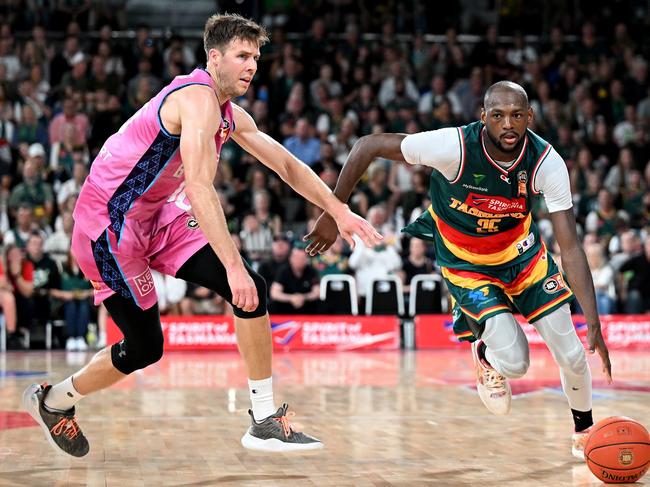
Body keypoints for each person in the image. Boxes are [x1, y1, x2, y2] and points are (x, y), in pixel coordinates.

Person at [23, 13, 382, 458]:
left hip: (158, 217)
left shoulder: (229, 112)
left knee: (253, 290)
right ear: (214, 58)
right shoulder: (194, 98)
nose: (252, 66)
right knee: (145, 348)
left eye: (256, 57)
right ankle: (55, 401)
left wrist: (338, 209)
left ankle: (264, 418)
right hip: (108, 229)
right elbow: (198, 184)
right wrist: (231, 267)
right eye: (242, 56)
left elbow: (285, 164)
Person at [305, 81, 612, 459]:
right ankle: (485, 354)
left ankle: (584, 432)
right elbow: (367, 145)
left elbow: (570, 246)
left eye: (517, 115)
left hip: (524, 259)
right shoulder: (452, 147)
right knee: (516, 364)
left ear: (530, 117)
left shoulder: (547, 162)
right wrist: (335, 214)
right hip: (468, 265)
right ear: (482, 117)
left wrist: (593, 318)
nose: (508, 124)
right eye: (497, 116)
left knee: (573, 354)